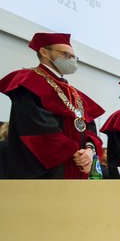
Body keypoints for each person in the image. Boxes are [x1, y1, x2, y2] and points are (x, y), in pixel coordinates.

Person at [0, 32, 104, 179]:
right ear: (44, 52)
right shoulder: (29, 80)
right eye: (66, 55)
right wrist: (73, 152)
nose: (72, 60)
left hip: (77, 166)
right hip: (48, 170)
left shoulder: (73, 92)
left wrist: (89, 150)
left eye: (74, 57)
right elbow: (36, 125)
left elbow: (89, 126)